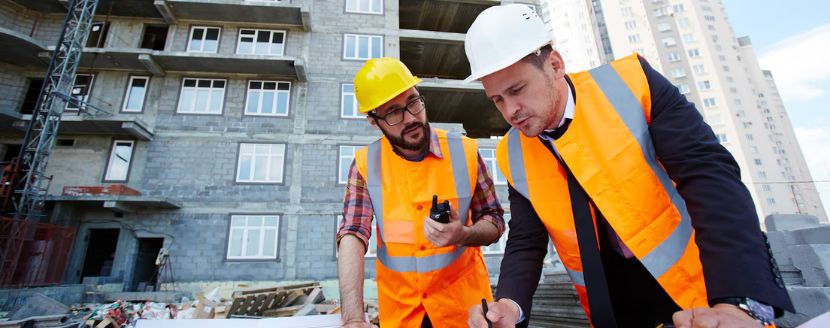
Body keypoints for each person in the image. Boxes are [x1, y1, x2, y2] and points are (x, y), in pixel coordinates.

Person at [463, 4, 794, 328]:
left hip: (702, 292)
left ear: (554, 64)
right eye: (498, 99)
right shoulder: (512, 151)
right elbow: (525, 239)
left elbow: (709, 176)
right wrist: (509, 303)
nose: (510, 111)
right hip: (615, 308)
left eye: (517, 90)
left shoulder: (634, 84)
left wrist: (738, 301)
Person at [336, 57, 506, 328]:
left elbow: (495, 220)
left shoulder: (466, 152)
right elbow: (352, 234)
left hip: (466, 314)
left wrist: (464, 234)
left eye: (413, 102)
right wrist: (353, 318)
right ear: (373, 120)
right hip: (402, 316)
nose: (411, 118)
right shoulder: (365, 164)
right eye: (393, 112)